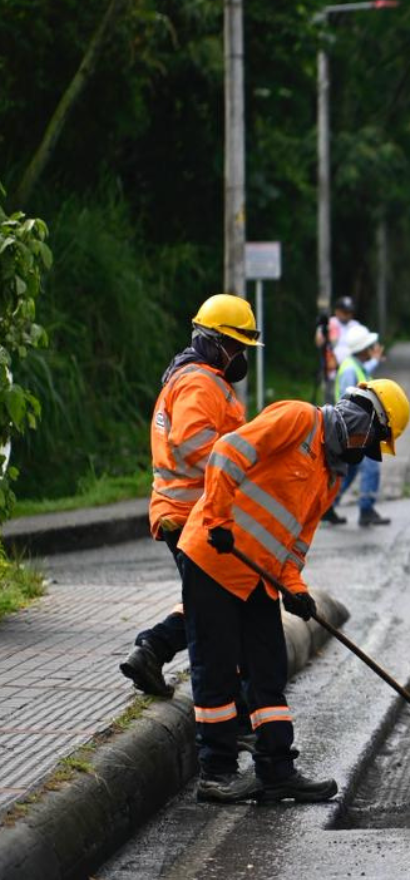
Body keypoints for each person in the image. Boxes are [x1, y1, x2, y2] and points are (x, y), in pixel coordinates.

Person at [178, 379, 410, 804]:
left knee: (268, 672)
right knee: (215, 667)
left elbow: (295, 543)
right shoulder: (298, 419)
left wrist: (295, 588)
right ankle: (217, 772)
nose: (367, 452)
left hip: (258, 579)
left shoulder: (329, 477)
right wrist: (216, 519)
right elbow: (226, 452)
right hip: (213, 560)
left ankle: (277, 769)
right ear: (363, 418)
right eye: (373, 441)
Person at [120, 295, 258, 701]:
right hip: (190, 513)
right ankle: (153, 649)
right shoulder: (199, 381)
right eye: (236, 346)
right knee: (214, 606)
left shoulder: (195, 377)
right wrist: (241, 471)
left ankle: (151, 651)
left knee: (207, 599)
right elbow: (196, 443)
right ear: (213, 342)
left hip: (181, 511)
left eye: (244, 348)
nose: (240, 356)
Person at [332, 327, 389, 527]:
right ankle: (366, 509)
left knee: (351, 470)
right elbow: (351, 399)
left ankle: (328, 505)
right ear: (363, 349)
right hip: (357, 428)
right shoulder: (350, 369)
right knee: (370, 467)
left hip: (357, 427)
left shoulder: (355, 365)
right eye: (369, 346)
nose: (372, 348)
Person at [314, 295, 357, 404]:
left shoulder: (356, 326)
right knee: (330, 401)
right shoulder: (329, 323)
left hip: (350, 371)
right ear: (337, 311)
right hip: (332, 371)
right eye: (344, 312)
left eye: (349, 312)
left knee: (349, 401)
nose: (347, 315)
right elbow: (319, 343)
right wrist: (325, 333)